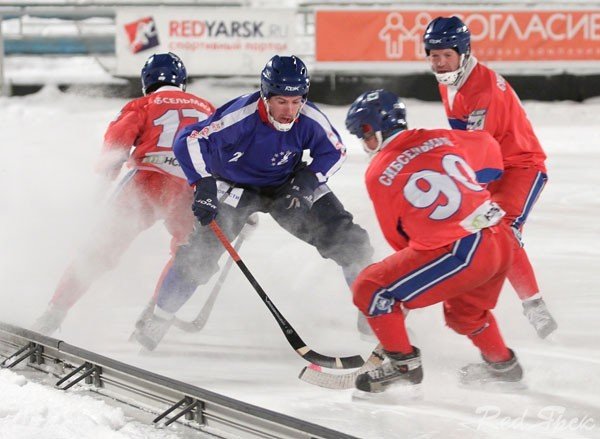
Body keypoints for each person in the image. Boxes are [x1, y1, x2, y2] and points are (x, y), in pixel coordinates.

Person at [133, 55, 374, 351]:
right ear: (265, 95)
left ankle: (374, 318)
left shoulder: (309, 118)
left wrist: (307, 183)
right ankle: (158, 318)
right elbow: (189, 140)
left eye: (296, 101)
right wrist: (204, 184)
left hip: (287, 185)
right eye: (281, 101)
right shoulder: (240, 116)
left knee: (352, 242)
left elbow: (335, 151)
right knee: (198, 257)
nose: (289, 111)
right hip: (235, 186)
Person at [345, 89, 523, 393]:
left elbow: (399, 238)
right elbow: (487, 146)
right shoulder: (441, 136)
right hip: (501, 237)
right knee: (464, 315)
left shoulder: (379, 170)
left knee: (371, 288)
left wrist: (404, 288)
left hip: (463, 250)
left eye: (362, 136)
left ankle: (403, 366)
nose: (364, 145)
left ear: (369, 129)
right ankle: (504, 366)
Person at [31, 52, 215, 335]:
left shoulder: (141, 104)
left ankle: (53, 313)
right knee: (188, 255)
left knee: (99, 249)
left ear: (147, 82)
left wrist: (100, 192)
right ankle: (157, 318)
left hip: (147, 182)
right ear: (182, 83)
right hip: (189, 188)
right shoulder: (207, 108)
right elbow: (225, 157)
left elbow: (114, 151)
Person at [422, 16, 557, 339]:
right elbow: (467, 145)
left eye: (447, 55)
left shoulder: (482, 90)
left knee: (501, 230)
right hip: (493, 166)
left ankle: (534, 306)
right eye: (434, 55)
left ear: (463, 52)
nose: (440, 63)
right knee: (486, 232)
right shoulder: (452, 81)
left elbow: (479, 155)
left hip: (520, 166)